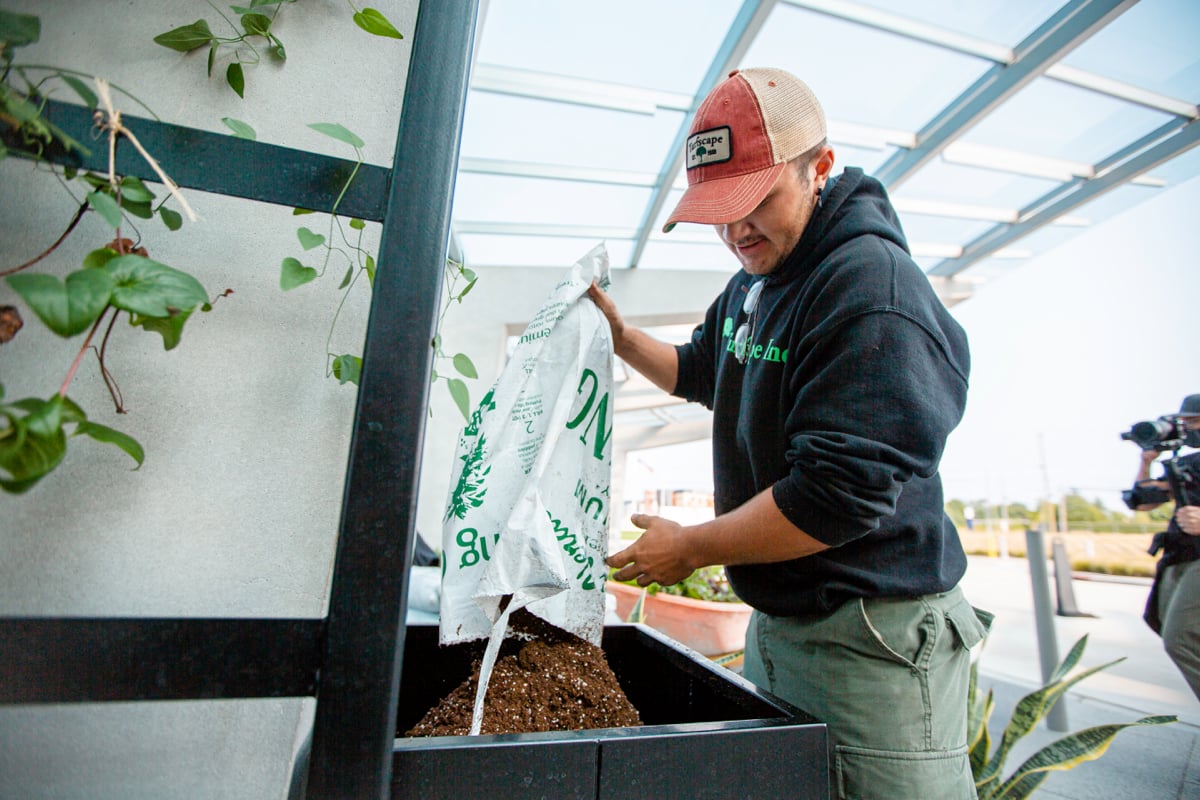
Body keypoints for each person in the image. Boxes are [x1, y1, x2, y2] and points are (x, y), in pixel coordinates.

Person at [589, 67, 989, 799]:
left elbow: (835, 495)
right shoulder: (758, 280)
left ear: (820, 170)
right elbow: (705, 369)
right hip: (785, 623)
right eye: (719, 210)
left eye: (756, 201)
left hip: (873, 639)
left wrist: (692, 547)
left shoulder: (870, 289)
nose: (737, 230)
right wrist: (621, 339)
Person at [1126, 394, 1200, 700]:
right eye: (1183, 423)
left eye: (1193, 422)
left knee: (1180, 638)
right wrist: (1146, 462)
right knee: (1163, 623)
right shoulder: (1188, 464)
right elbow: (1143, 502)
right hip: (1179, 557)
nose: (1186, 428)